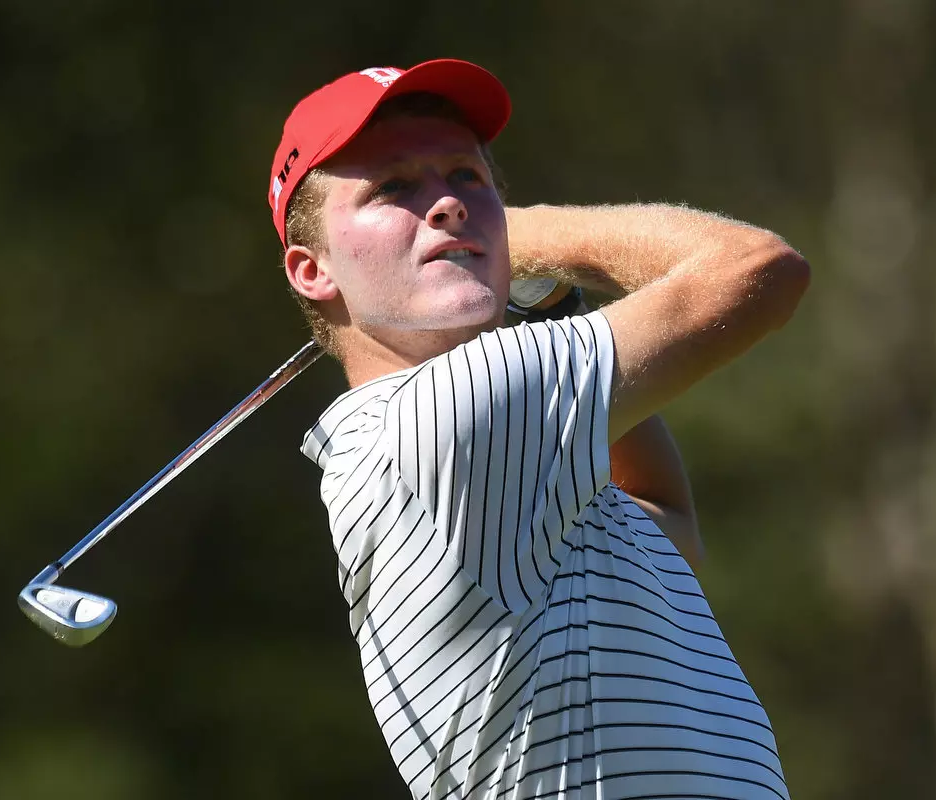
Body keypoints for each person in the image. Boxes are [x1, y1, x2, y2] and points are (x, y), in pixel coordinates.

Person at [268, 59, 809, 800]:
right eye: (394, 187)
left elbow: (666, 519)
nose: (450, 204)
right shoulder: (442, 418)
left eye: (466, 176)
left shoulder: (489, 457)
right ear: (312, 269)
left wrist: (553, 306)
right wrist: (529, 232)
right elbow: (757, 270)